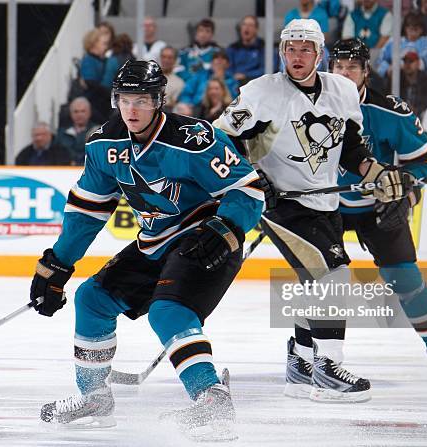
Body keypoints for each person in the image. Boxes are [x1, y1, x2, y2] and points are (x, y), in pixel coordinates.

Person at [31, 60, 264, 440]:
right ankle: (94, 399)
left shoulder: (194, 139)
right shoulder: (104, 143)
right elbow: (88, 210)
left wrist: (226, 228)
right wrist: (58, 263)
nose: (133, 110)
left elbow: (248, 190)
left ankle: (211, 396)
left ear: (159, 101)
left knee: (168, 310)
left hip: (207, 239)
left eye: (142, 100)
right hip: (156, 242)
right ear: (115, 100)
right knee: (91, 299)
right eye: (125, 99)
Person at [214, 19, 412, 402]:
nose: (297, 56)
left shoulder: (341, 89)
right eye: (290, 49)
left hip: (325, 202)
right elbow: (218, 139)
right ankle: (328, 365)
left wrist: (376, 171)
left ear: (319, 55)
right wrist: (253, 177)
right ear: (281, 52)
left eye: (306, 49)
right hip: (283, 204)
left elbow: (351, 145)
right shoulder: (260, 93)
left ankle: (301, 361)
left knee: (313, 281)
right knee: (332, 275)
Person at [329, 38, 427, 381]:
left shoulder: (389, 110)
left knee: (405, 275)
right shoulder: (303, 106)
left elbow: (422, 163)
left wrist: (405, 196)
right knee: (320, 278)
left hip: (378, 205)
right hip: (326, 206)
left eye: (352, 67)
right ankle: (310, 354)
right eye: (338, 67)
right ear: (328, 69)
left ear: (366, 71)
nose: (344, 73)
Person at [375, 11, 427, 78]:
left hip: (419, 79)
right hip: (393, 78)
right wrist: (387, 69)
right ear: (405, 28)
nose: (413, 33)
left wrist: (399, 68)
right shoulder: (394, 41)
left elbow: (422, 64)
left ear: (422, 30)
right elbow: (379, 61)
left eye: (416, 29)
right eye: (411, 29)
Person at [226, 15, 265, 85]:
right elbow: (228, 68)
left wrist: (246, 75)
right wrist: (233, 75)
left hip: (255, 82)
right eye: (244, 24)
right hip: (235, 82)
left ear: (256, 29)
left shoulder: (263, 47)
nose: (246, 27)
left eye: (250, 25)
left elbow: (265, 69)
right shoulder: (232, 48)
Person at [56, 97, 96, 165]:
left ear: (89, 113)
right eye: (76, 111)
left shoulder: (97, 131)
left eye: (83, 111)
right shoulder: (61, 134)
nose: (79, 115)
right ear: (71, 114)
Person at [397, 50, 427, 117]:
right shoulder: (398, 79)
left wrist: (417, 110)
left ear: (418, 63)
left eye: (411, 61)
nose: (407, 64)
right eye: (405, 62)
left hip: (421, 116)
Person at [159, 46, 185, 112]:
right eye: (163, 57)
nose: (166, 60)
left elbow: (173, 103)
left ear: (175, 60)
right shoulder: (151, 77)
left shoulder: (179, 82)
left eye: (169, 58)